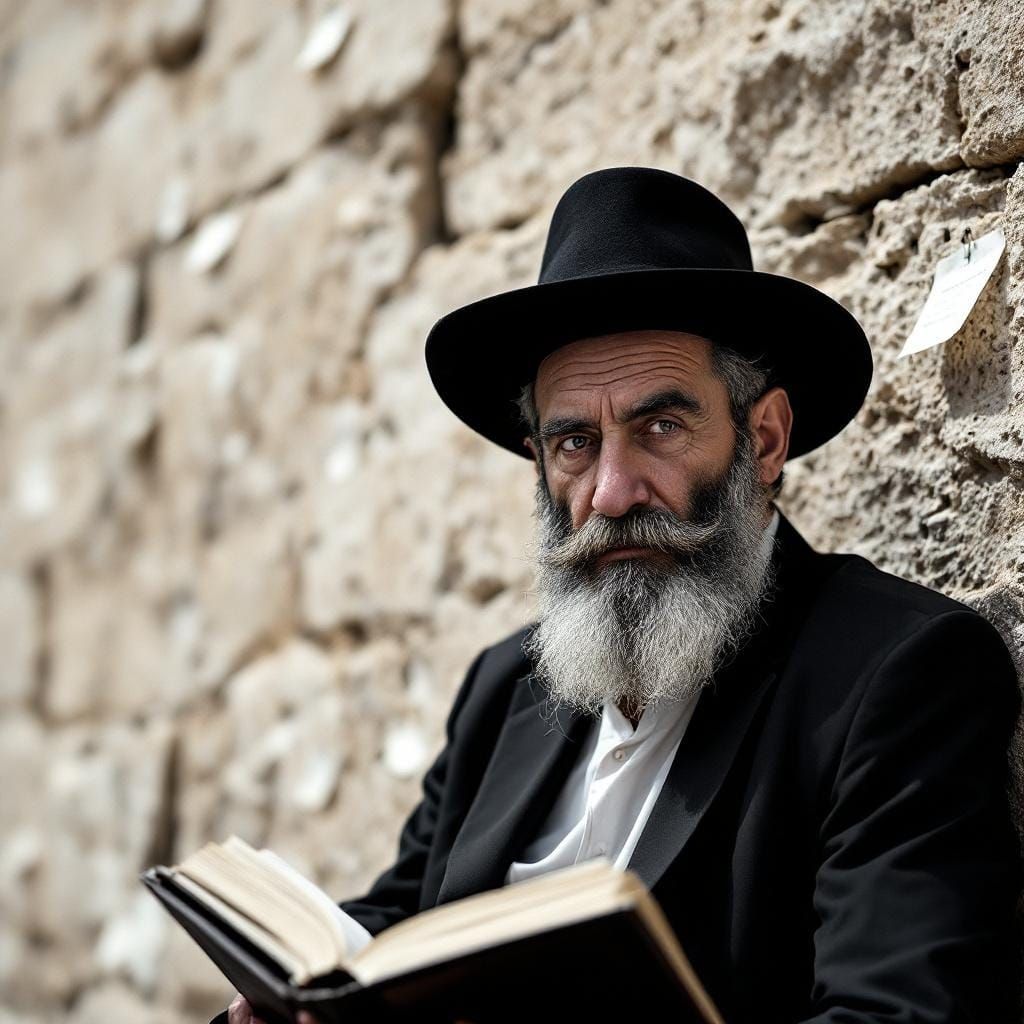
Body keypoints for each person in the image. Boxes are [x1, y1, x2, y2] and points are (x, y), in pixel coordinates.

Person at [224, 167, 1020, 1024]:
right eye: (574, 442)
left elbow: (897, 1014)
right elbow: (397, 931)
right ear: (539, 462)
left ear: (763, 439)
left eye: (660, 428)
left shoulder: (896, 674)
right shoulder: (504, 688)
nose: (610, 492)